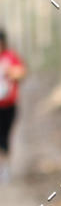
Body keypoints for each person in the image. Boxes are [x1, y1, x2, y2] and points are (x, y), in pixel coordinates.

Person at [0, 29, 26, 183]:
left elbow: (21, 73)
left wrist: (10, 72)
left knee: (4, 136)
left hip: (8, 105)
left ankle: (5, 166)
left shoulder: (10, 57)